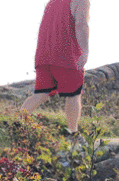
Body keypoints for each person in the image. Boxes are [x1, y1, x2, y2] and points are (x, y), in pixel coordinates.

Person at [21, 0, 91, 135]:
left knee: (40, 94)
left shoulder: (52, 2)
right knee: (74, 94)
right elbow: (81, 24)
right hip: (66, 55)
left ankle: (16, 123)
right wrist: (85, 51)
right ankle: (73, 133)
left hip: (44, 55)